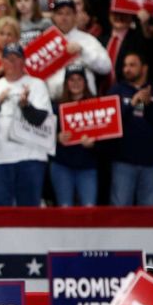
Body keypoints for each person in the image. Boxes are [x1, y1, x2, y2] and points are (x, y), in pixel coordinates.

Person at [0, 43, 55, 206]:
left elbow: (41, 119)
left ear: (24, 62)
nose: (12, 63)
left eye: (16, 59)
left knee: (29, 211)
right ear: (2, 62)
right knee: (2, 212)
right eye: (8, 59)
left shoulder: (37, 85)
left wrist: (26, 105)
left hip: (31, 158)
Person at [106, 51, 153, 206]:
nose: (127, 69)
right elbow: (109, 122)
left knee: (148, 211)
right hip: (123, 162)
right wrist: (131, 104)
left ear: (144, 68)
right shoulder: (116, 91)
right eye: (125, 65)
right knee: (120, 208)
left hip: (152, 163)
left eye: (132, 65)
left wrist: (148, 105)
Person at [49, 64, 99, 207]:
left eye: (79, 79)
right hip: (62, 165)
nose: (76, 83)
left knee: (89, 209)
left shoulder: (97, 105)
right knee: (65, 209)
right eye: (71, 80)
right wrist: (57, 138)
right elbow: (43, 134)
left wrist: (94, 143)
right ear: (66, 83)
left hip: (87, 166)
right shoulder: (56, 107)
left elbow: (108, 137)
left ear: (85, 82)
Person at [44, 0, 111, 100]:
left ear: (75, 16)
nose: (64, 18)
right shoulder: (45, 42)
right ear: (53, 17)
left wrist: (83, 51)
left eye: (68, 13)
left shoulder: (88, 40)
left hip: (85, 101)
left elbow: (106, 67)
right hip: (55, 101)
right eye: (60, 13)